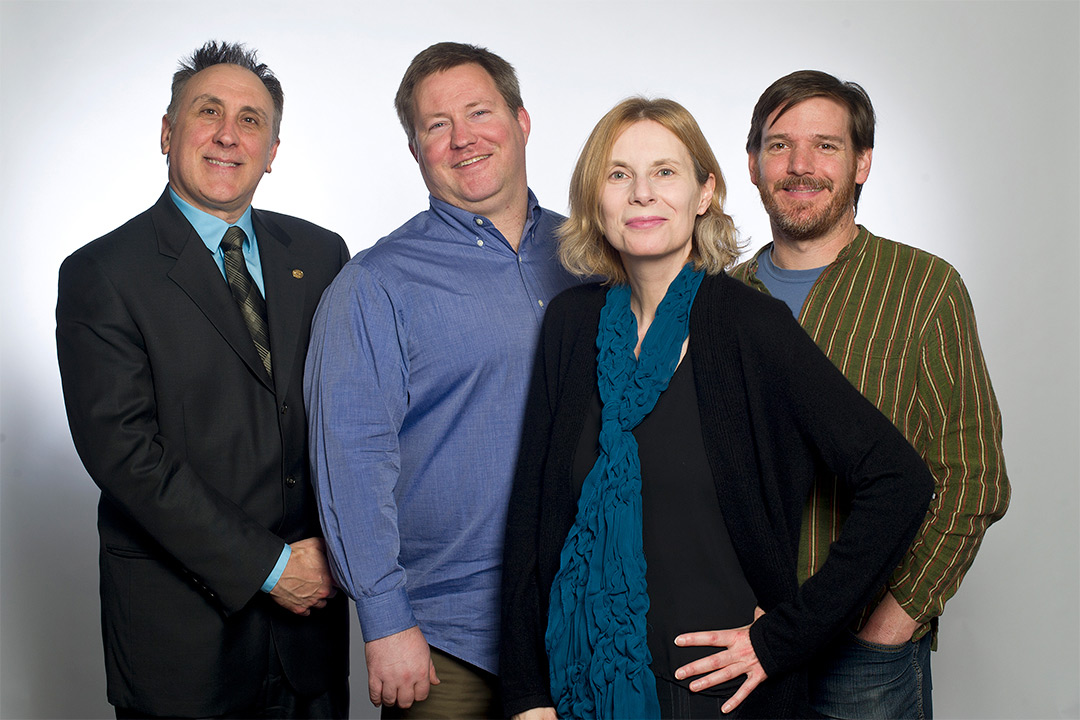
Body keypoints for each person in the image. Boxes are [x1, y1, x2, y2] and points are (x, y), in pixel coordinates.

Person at [499, 97, 936, 720]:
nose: (642, 193)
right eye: (619, 174)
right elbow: (532, 516)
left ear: (705, 192)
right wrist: (526, 695)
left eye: (666, 172)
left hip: (715, 698)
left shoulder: (750, 325)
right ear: (596, 199)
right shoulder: (572, 324)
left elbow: (900, 481)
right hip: (581, 685)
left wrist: (787, 635)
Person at [56, 41, 350, 719]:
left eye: (251, 120)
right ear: (167, 132)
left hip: (311, 635)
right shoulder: (103, 273)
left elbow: (350, 418)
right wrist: (272, 568)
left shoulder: (321, 254)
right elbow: (126, 456)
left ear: (273, 149)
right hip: (183, 643)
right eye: (208, 111)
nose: (228, 133)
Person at [303, 42, 580, 717]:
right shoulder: (376, 283)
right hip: (450, 635)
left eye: (479, 113)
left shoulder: (594, 254)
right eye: (436, 126)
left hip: (585, 616)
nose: (462, 139)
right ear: (415, 150)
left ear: (521, 120)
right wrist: (385, 619)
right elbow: (351, 461)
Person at [730, 70, 1011, 719]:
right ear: (751, 164)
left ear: (863, 162)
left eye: (825, 146)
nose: (800, 166)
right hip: (742, 646)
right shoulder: (720, 302)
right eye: (779, 145)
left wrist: (891, 623)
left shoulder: (925, 289)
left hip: (861, 660)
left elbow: (973, 477)